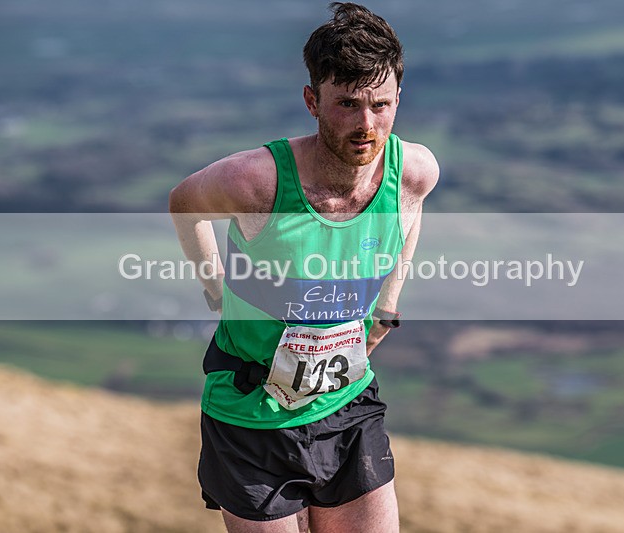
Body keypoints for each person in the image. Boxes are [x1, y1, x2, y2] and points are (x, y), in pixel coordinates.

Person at [169, 3, 438, 532]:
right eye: (348, 104)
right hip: (252, 414)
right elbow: (184, 203)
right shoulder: (257, 183)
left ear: (399, 99)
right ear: (312, 101)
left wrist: (387, 307)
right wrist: (214, 287)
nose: (367, 124)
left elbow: (412, 214)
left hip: (347, 404)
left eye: (381, 105)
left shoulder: (414, 170)